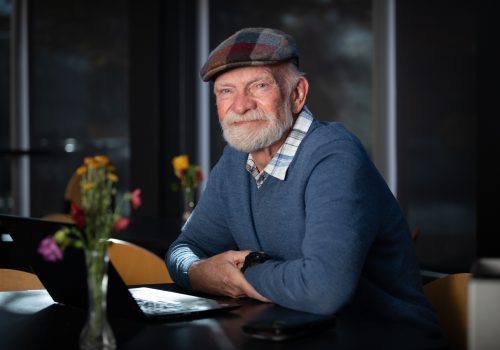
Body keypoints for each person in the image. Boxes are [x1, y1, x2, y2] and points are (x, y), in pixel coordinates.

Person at [166, 27, 440, 335]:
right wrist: (195, 271)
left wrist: (244, 269)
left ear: (297, 94)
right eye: (226, 91)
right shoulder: (234, 161)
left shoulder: (334, 156)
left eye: (259, 86)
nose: (240, 106)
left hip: (384, 338)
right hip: (291, 331)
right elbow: (183, 248)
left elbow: (325, 289)